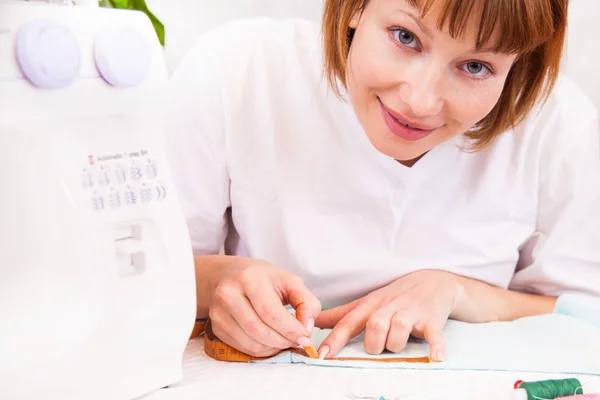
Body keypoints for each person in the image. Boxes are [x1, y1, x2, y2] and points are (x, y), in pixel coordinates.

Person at [164, 0, 600, 363]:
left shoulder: (559, 127)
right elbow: (136, 278)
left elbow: (584, 314)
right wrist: (223, 279)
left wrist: (453, 291)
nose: (420, 100)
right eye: (405, 37)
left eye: (475, 66)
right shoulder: (240, 70)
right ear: (356, 7)